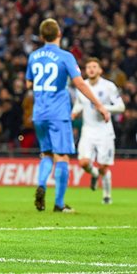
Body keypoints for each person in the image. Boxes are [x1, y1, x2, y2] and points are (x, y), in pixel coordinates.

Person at [26, 19, 110, 213]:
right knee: (62, 156)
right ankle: (59, 204)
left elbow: (29, 84)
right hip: (58, 113)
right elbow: (80, 83)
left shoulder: (33, 56)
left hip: (39, 113)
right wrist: (99, 105)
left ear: (41, 36)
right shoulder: (65, 56)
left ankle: (41, 184)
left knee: (46, 154)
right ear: (59, 34)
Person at [71, 57, 125, 205]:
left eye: (94, 66)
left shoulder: (109, 86)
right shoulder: (82, 86)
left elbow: (121, 107)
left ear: (100, 70)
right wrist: (74, 113)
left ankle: (107, 195)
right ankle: (94, 175)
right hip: (87, 130)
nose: (91, 69)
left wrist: (104, 107)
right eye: (88, 67)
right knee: (83, 163)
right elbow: (79, 104)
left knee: (103, 166)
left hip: (104, 131)